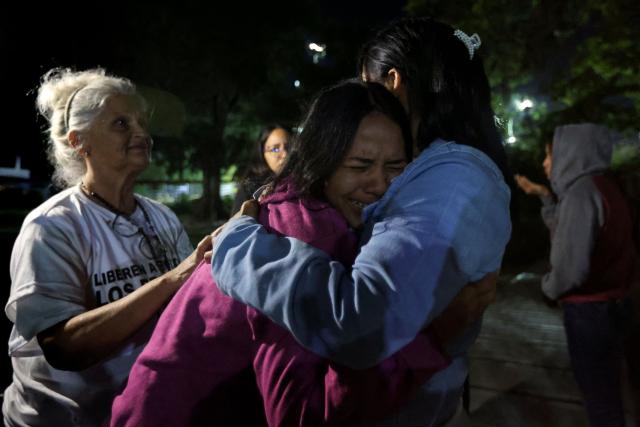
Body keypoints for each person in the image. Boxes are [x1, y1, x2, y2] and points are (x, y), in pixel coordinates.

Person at [111, 79, 492, 426]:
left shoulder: (331, 216)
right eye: (360, 166)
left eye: (395, 167)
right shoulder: (300, 236)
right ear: (323, 165)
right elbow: (299, 413)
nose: (379, 185)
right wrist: (434, 338)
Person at [210, 17, 512, 426]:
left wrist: (238, 242)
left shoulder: (451, 179)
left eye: (364, 85)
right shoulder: (439, 171)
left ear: (393, 83)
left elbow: (355, 319)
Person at [3, 67, 211, 426]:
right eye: (121, 124)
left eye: (142, 123)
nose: (142, 133)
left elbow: (188, 307)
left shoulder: (161, 218)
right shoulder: (51, 226)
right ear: (78, 142)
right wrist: (173, 278)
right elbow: (64, 348)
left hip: (142, 414)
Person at [516, 123, 636, 427]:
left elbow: (571, 266)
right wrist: (545, 196)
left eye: (549, 155)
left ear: (571, 153)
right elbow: (572, 233)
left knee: (600, 399)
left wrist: (548, 288)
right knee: (616, 391)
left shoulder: (580, 196)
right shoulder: (604, 186)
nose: (545, 163)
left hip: (589, 312)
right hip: (617, 304)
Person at [232, 124, 290, 212]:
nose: (285, 154)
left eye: (288, 147)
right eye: (275, 149)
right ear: (262, 154)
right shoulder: (250, 188)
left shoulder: (304, 183)